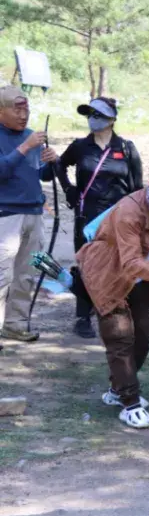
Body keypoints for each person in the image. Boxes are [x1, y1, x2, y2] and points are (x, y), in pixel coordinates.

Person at [76, 156, 149, 429]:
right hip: (109, 275)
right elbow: (129, 265)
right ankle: (130, 403)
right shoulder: (130, 211)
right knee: (120, 337)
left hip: (145, 276)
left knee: (143, 336)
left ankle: (117, 391)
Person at [58, 97, 143, 339]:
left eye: (98, 114)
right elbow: (59, 166)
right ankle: (83, 316)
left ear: (112, 119)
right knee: (86, 265)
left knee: (118, 263)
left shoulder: (127, 148)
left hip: (118, 217)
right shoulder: (79, 146)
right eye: (90, 114)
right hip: (87, 217)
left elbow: (137, 188)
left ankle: (116, 312)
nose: (92, 119)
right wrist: (68, 189)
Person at [0, 85, 57, 348]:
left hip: (34, 213)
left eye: (26, 109)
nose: (24, 115)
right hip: (6, 216)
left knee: (26, 274)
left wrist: (51, 161)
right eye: (17, 108)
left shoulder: (31, 137)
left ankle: (15, 325)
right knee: (2, 275)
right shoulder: (20, 140)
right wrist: (25, 147)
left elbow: (41, 174)